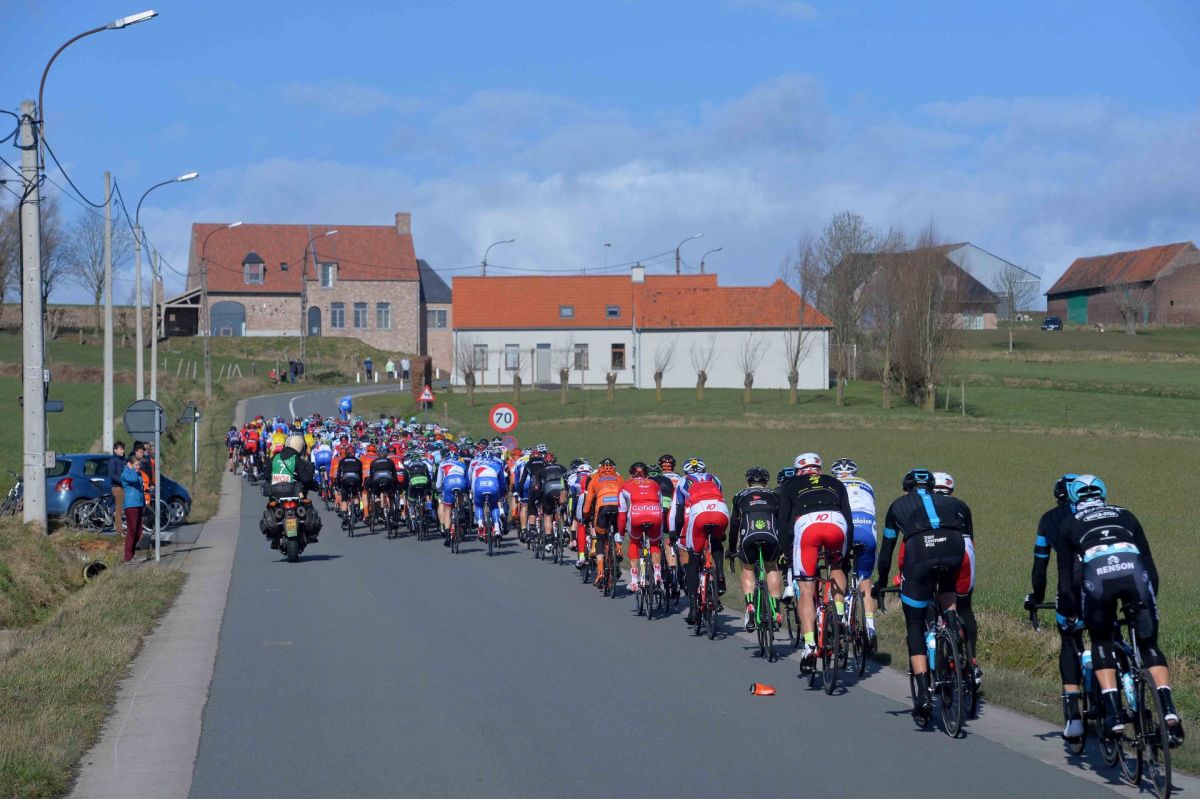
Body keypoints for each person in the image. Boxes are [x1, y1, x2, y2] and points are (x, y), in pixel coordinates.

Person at [1054, 475, 1183, 746]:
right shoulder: (1126, 514)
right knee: (1148, 645)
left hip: (1099, 579)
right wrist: (1146, 604)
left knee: (1101, 640)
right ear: (1103, 494)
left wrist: (1069, 612)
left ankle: (1113, 714)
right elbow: (1150, 567)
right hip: (1135, 576)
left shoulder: (1068, 524)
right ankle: (1168, 709)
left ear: (1074, 499)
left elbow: (1065, 580)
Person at [873, 468, 970, 726]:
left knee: (915, 623)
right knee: (947, 585)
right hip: (954, 547)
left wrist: (881, 582)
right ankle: (952, 625)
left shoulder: (898, 506)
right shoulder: (950, 502)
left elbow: (887, 553)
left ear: (907, 489)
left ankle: (924, 696)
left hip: (921, 551)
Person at [1024, 473, 1088, 742]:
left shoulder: (1049, 519)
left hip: (1070, 587)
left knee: (1070, 643)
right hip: (1109, 579)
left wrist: (1036, 597)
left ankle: (1074, 717)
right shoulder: (1105, 514)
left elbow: (1040, 566)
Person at [776, 452, 852, 667]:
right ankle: (840, 614)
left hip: (807, 525)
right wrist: (845, 556)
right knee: (836, 566)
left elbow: (784, 523)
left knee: (806, 588)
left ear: (798, 471)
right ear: (819, 468)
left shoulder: (790, 485)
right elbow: (848, 518)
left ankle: (809, 645)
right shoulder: (835, 482)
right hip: (836, 522)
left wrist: (788, 554)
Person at [932, 470, 980, 686]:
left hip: (935, 548)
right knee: (965, 606)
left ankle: (938, 651)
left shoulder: (925, 504)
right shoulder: (962, 506)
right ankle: (972, 663)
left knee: (931, 597)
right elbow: (971, 540)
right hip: (965, 550)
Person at [674, 457, 729, 625]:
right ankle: (720, 575)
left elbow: (678, 510)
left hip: (698, 514)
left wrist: (675, 533)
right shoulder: (714, 478)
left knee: (694, 558)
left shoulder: (683, 481)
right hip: (720, 511)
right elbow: (720, 496)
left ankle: (692, 608)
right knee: (717, 541)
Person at [831, 458, 879, 647]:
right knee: (865, 577)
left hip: (846, 526)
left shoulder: (833, 485)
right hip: (867, 527)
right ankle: (870, 626)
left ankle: (841, 617)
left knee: (837, 567)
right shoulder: (866, 484)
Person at [729, 466, 782, 632]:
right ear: (766, 482)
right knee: (771, 567)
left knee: (748, 569)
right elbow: (782, 521)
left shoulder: (739, 495)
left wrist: (731, 549)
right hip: (771, 536)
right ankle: (776, 610)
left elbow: (734, 525)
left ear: (748, 482)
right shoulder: (775, 495)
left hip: (748, 536)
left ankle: (750, 605)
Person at [618, 462, 664, 593]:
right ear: (647, 474)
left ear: (631, 475)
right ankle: (657, 573)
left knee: (634, 541)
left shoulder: (625, 485)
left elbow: (622, 515)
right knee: (654, 542)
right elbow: (661, 507)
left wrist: (620, 535)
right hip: (655, 513)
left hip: (636, 515)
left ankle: (634, 581)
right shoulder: (654, 484)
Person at [583, 459, 624, 590]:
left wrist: (585, 516)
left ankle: (600, 572)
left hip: (602, 508)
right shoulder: (619, 478)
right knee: (618, 530)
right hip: (618, 508)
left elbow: (588, 502)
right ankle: (618, 549)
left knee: (600, 539)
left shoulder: (594, 478)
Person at [120, 453, 146, 562]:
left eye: (139, 465)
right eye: (136, 465)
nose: (138, 467)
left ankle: (132, 553)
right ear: (130, 464)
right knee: (132, 530)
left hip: (138, 504)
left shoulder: (137, 473)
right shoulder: (126, 474)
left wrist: (143, 504)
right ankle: (128, 556)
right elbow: (134, 480)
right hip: (131, 505)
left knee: (139, 531)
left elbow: (141, 489)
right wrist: (131, 469)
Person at [108, 441, 127, 538]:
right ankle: (119, 530)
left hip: (124, 487)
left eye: (123, 449)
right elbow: (112, 475)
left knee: (125, 508)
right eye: (120, 449)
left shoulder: (124, 460)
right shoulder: (113, 460)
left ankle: (124, 527)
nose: (123, 451)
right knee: (119, 508)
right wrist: (123, 481)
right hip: (117, 487)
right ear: (115, 450)